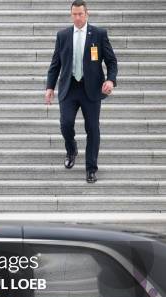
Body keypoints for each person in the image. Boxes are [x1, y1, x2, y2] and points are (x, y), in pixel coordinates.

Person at [45, 0, 117, 183]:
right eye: (74, 14)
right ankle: (71, 149)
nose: (77, 17)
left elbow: (111, 61)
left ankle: (91, 168)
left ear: (87, 14)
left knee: (93, 129)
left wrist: (110, 80)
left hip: (91, 89)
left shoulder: (99, 34)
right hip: (69, 88)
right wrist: (49, 87)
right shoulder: (63, 35)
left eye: (80, 14)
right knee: (65, 124)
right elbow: (55, 64)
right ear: (71, 15)